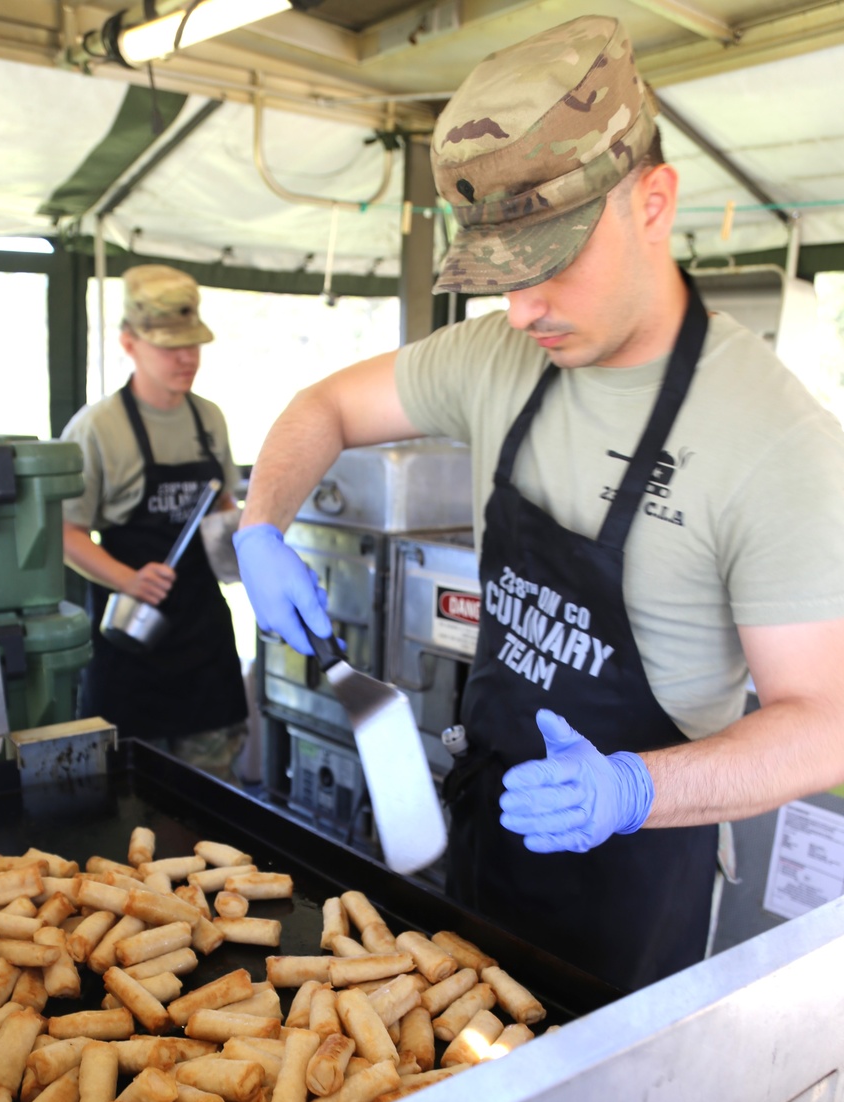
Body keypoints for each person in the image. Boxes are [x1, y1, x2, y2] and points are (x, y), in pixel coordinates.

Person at [231, 14, 844, 993]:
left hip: (637, 876)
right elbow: (324, 407)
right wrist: (260, 524)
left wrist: (632, 789)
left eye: (550, 261)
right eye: (497, 272)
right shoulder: (496, 360)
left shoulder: (774, 441)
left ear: (653, 201)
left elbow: (823, 723)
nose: (520, 310)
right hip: (482, 825)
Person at [62, 264, 247, 780]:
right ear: (129, 343)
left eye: (193, 344)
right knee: (126, 801)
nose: (186, 358)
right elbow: (64, 532)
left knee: (214, 805)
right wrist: (128, 578)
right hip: (129, 646)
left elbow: (223, 503)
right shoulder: (97, 428)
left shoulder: (208, 418)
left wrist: (248, 541)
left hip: (204, 637)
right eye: (170, 346)